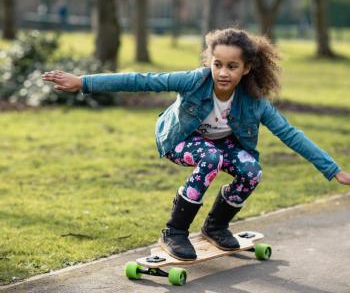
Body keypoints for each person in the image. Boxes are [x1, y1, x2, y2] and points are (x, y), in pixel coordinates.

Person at [42, 28, 350, 261]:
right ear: (210, 62)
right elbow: (143, 80)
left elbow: (290, 134)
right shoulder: (195, 81)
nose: (223, 73)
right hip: (178, 140)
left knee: (252, 170)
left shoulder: (255, 103)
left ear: (246, 68)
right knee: (211, 158)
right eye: (218, 64)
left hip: (216, 147)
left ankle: (215, 227)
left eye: (232, 66)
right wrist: (84, 82)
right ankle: (174, 231)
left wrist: (332, 169)